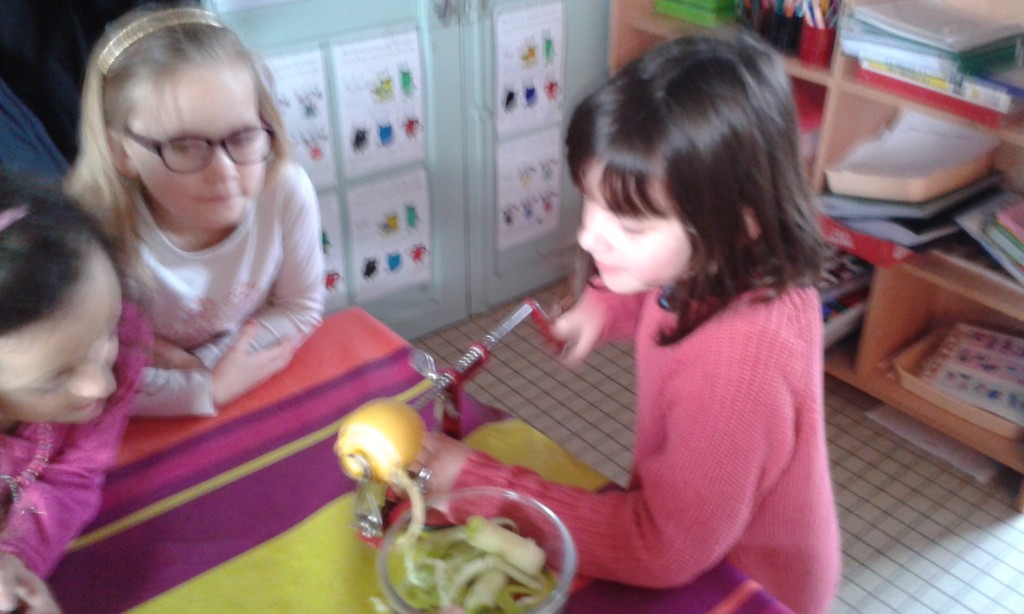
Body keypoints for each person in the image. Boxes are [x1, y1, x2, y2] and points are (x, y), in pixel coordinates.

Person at [416, 32, 841, 614]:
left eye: (631, 226)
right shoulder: (724, 257)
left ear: (741, 219)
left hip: (746, 586)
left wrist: (476, 482)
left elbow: (661, 546)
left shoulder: (741, 361)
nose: (590, 236)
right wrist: (604, 304)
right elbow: (665, 287)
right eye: (590, 201)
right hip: (704, 540)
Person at [65, 4, 325, 418]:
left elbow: (301, 308)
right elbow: (84, 378)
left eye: (243, 137)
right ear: (121, 152)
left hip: (248, 384)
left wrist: (203, 366)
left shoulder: (285, 192)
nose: (224, 172)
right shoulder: (96, 230)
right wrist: (204, 390)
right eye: (184, 146)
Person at [0, 171, 150, 613]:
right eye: (53, 378)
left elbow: (72, 474)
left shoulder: (123, 342)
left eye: (108, 328)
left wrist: (16, 557)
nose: (103, 385)